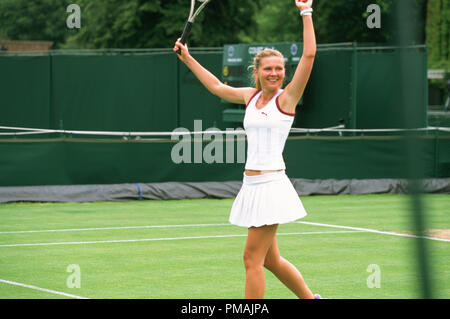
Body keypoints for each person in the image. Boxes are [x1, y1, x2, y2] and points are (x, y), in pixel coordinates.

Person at [173, 0, 319, 299]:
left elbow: (309, 54)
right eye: (269, 69)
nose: (275, 73)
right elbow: (216, 87)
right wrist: (188, 58)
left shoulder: (287, 99)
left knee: (251, 259)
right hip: (251, 185)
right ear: (257, 71)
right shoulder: (250, 97)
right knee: (269, 260)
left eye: (279, 69)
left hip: (271, 185)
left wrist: (306, 12)